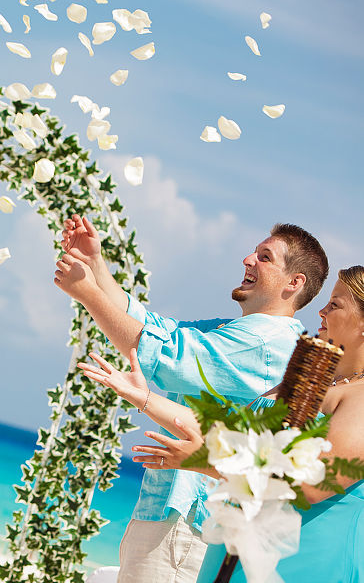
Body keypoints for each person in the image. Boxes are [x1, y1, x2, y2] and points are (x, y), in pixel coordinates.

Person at [53, 217, 328, 583]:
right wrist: (96, 266)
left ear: (295, 283)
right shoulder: (240, 332)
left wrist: (88, 294)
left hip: (188, 527)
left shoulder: (266, 343)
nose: (247, 259)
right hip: (171, 517)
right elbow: (154, 327)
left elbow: (167, 358)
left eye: (264, 257)